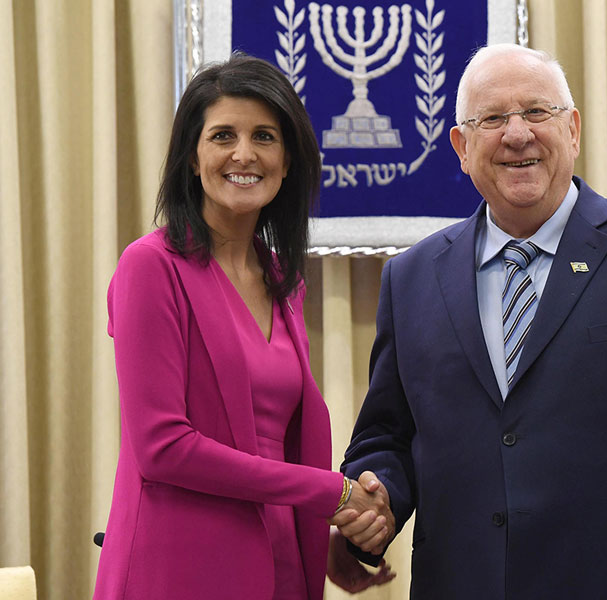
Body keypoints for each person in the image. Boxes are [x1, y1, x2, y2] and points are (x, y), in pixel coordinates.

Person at [334, 44, 607, 598]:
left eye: (537, 112)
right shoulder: (410, 278)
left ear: (574, 130)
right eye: (492, 119)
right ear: (461, 147)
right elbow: (388, 435)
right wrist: (377, 499)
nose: (517, 135)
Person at [93, 54, 394, 600]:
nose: (244, 154)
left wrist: (321, 541)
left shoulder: (284, 280)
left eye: (264, 136)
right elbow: (162, 446)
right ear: (192, 155)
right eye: (222, 135)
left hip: (281, 567)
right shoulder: (150, 266)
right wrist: (332, 492)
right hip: (180, 573)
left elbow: (274, 443)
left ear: (287, 161)